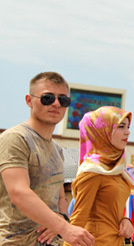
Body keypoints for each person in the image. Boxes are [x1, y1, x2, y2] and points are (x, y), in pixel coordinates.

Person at [0, 71, 94, 245]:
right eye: (47, 98)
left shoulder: (60, 151)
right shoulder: (14, 138)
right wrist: (64, 228)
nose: (56, 104)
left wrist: (61, 220)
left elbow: (62, 199)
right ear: (29, 100)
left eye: (63, 100)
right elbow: (18, 193)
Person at [65, 106, 134, 246]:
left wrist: (126, 220)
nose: (128, 132)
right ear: (102, 131)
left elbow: (111, 211)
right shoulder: (92, 171)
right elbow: (77, 221)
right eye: (121, 127)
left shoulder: (116, 170)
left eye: (128, 127)